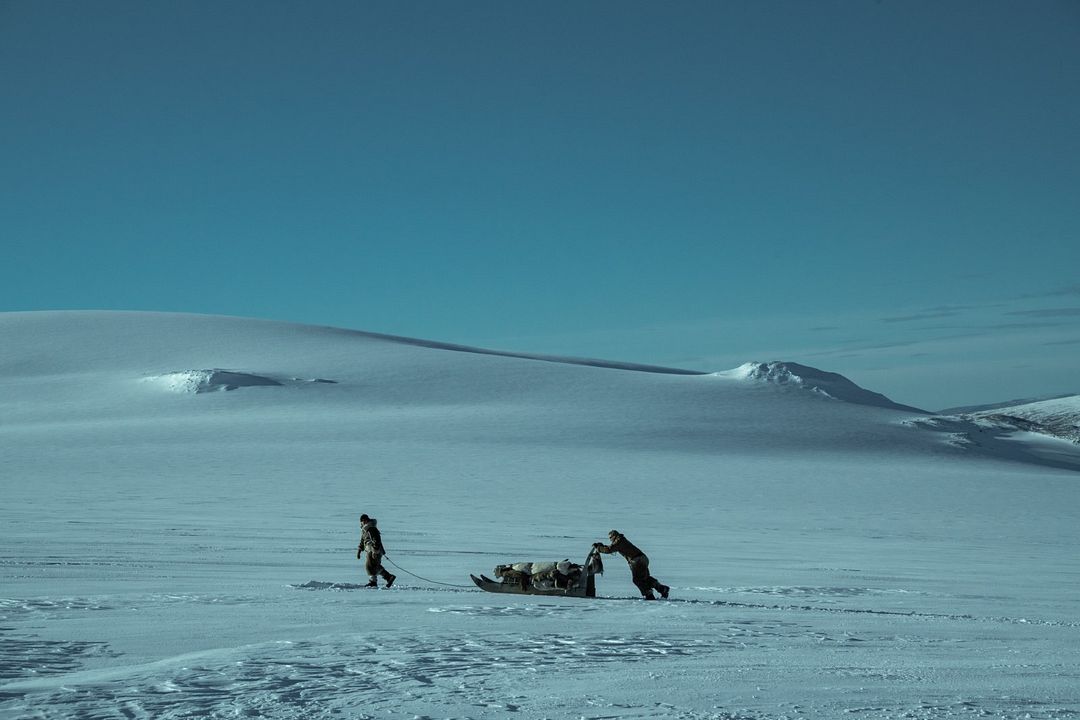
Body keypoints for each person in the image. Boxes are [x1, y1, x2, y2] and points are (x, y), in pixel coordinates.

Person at [593, 529, 669, 600]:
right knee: (645, 578)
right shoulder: (621, 540)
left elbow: (610, 549)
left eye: (610, 537)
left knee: (637, 579)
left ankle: (649, 595)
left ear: (614, 536)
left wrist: (599, 548)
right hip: (642, 558)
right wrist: (601, 546)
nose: (610, 539)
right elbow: (611, 548)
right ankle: (662, 589)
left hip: (637, 560)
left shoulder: (619, 541)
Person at [357, 513, 396, 588]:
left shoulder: (371, 528)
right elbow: (363, 540)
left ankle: (374, 581)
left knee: (369, 566)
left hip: (374, 550)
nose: (361, 523)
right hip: (370, 550)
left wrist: (375, 550)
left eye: (362, 521)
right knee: (374, 566)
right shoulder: (365, 529)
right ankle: (388, 578)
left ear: (364, 521)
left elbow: (376, 540)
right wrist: (359, 550)